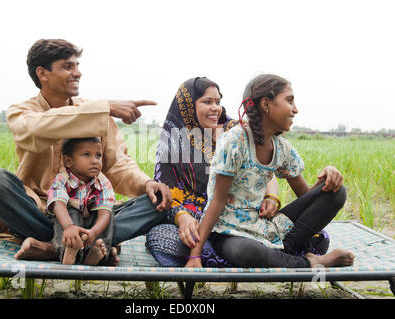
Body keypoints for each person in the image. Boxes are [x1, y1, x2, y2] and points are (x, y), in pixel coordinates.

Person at [0, 39, 172, 264]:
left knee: (158, 201)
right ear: (42, 73)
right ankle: (88, 245)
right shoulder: (22, 112)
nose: (77, 73)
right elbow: (36, 127)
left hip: (91, 213)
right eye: (67, 67)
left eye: (77, 66)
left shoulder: (95, 112)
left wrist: (146, 183)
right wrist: (105, 107)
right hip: (43, 213)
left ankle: (54, 247)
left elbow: (118, 164)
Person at [185, 74, 355, 269]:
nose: (295, 109)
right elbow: (217, 201)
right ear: (266, 104)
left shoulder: (282, 148)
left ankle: (283, 254)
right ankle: (311, 262)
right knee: (248, 252)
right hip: (229, 233)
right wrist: (194, 255)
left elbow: (305, 197)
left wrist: (328, 178)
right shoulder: (235, 142)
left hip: (263, 227)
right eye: (289, 101)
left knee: (336, 192)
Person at [145, 77, 280, 267]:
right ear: (188, 106)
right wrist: (182, 218)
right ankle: (242, 253)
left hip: (243, 217)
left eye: (218, 102)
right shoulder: (172, 143)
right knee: (160, 238)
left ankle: (233, 253)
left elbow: (266, 173)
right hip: (196, 222)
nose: (215, 107)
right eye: (207, 102)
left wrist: (271, 197)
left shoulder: (238, 132)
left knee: (316, 237)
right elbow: (167, 196)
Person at [47, 137, 114, 266]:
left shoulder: (103, 182)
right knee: (70, 210)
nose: (95, 161)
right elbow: (57, 203)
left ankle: (95, 252)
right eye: (86, 155)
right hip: (67, 222)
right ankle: (69, 250)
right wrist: (69, 226)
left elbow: (104, 213)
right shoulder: (62, 179)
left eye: (98, 155)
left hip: (90, 226)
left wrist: (94, 232)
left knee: (110, 213)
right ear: (68, 161)